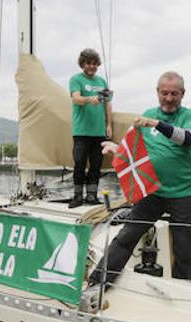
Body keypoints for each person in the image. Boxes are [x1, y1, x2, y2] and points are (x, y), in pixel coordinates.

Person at [81, 71, 191, 312]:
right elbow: (133, 149)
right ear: (157, 92)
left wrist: (157, 124)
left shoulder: (189, 116)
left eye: (174, 94)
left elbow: (187, 139)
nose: (168, 98)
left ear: (182, 94)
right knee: (126, 238)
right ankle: (97, 284)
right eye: (164, 93)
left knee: (184, 248)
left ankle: (182, 296)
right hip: (151, 191)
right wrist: (117, 148)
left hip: (183, 193)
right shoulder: (147, 115)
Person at [68, 48, 113, 208]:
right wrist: (89, 99)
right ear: (82, 64)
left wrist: (108, 125)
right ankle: (77, 196)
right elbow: (76, 98)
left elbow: (108, 104)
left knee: (96, 166)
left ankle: (92, 196)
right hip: (81, 132)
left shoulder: (102, 82)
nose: (92, 66)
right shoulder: (76, 79)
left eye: (94, 63)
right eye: (88, 63)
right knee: (79, 164)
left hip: (99, 132)